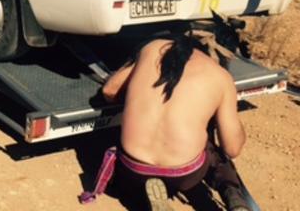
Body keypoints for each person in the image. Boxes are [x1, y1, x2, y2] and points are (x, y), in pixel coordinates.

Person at [81, 31, 251, 211]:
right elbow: (232, 148)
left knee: (125, 141)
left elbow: (109, 91)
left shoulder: (153, 48)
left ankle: (146, 193)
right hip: (184, 175)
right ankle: (232, 195)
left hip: (135, 168)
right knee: (213, 150)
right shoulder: (221, 76)